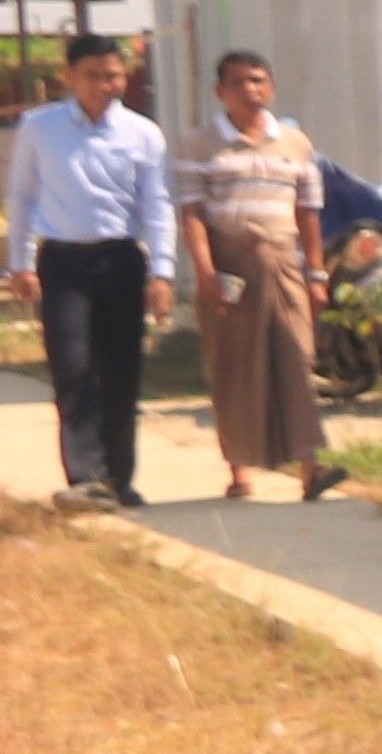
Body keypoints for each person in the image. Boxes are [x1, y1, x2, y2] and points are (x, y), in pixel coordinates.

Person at [7, 42, 172, 507]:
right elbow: (22, 196)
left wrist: (162, 271)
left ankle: (119, 478)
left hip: (121, 261)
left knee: (121, 370)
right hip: (64, 263)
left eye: (113, 75)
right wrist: (20, 263)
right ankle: (85, 476)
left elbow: (156, 203)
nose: (105, 85)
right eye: (94, 75)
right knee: (72, 367)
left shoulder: (142, 133)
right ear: (70, 77)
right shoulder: (40, 127)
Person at [178, 51, 335, 504]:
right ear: (220, 91)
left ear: (271, 88)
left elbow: (308, 213)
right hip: (230, 266)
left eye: (258, 80)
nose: (251, 90)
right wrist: (206, 272)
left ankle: (311, 467)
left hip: (283, 262)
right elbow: (192, 214)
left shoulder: (295, 144)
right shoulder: (201, 144)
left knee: (296, 360)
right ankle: (239, 470)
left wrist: (316, 273)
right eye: (239, 83)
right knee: (233, 366)